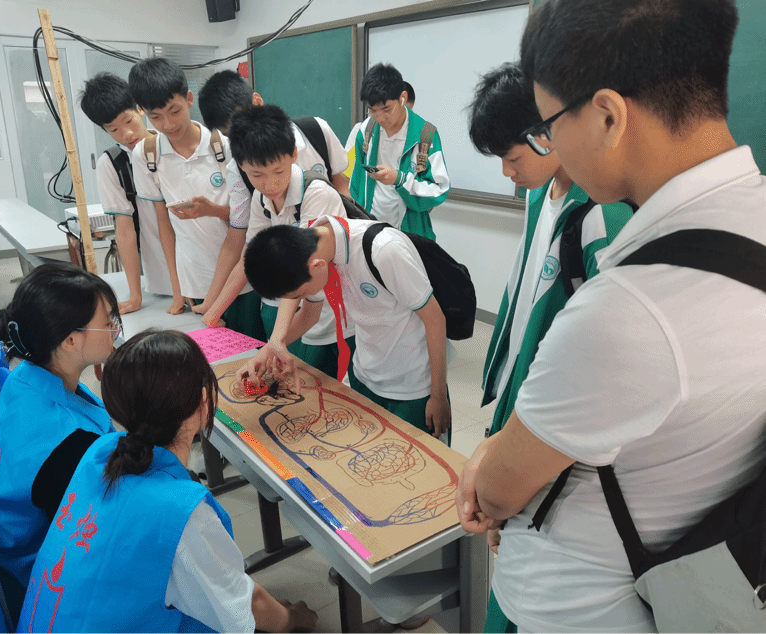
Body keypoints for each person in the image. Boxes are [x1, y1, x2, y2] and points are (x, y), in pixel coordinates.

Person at [455, 1, 766, 633]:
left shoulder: (628, 312)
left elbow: (500, 489)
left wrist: (486, 464)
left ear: (606, 115)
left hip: (583, 606)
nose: (549, 146)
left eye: (549, 124)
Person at [468, 62, 634, 634]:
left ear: (547, 134)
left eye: (512, 156)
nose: (508, 172)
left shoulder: (600, 217)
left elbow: (601, 372)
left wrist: (511, 474)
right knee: (510, 549)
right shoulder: (543, 196)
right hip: (525, 398)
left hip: (559, 431)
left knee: (531, 556)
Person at [16, 329, 318, 634]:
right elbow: (248, 604)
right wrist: (293, 620)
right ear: (204, 400)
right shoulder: (180, 513)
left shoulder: (100, 451)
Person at [0, 263, 118, 602]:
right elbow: (96, 537)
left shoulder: (23, 376)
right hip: (29, 576)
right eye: (108, 323)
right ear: (71, 340)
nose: (115, 330)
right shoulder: (69, 446)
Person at [240, 219, 450, 440]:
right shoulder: (314, 251)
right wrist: (265, 353)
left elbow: (435, 320)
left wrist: (438, 396)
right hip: (365, 374)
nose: (305, 298)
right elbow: (309, 315)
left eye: (301, 294)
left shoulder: (385, 250)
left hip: (412, 386)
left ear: (317, 266)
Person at [191, 71, 350, 344]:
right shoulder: (260, 198)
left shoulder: (316, 191)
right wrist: (214, 312)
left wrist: (277, 339)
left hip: (327, 308)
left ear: (293, 156)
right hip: (289, 301)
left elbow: (299, 262)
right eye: (257, 175)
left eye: (278, 171)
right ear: (242, 166)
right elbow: (248, 253)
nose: (270, 184)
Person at [128, 58, 237, 319]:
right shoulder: (146, 155)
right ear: (142, 112)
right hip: (193, 283)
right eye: (156, 117)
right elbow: (163, 223)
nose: (167, 124)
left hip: (240, 280)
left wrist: (213, 210)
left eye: (174, 111)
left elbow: (247, 221)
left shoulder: (224, 147)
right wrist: (177, 288)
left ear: (189, 99)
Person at [79, 72, 171, 314]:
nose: (126, 134)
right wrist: (135, 296)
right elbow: (125, 230)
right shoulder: (111, 164)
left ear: (140, 109)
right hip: (158, 273)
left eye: (129, 121)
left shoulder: (170, 145)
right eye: (114, 130)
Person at [349, 63, 450, 240]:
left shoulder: (426, 135)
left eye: (386, 109)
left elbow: (439, 189)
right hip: (370, 231)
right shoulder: (366, 130)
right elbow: (355, 181)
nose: (380, 118)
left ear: (402, 98)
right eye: (373, 111)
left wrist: (400, 179)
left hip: (409, 235)